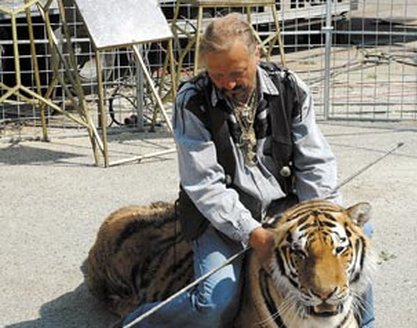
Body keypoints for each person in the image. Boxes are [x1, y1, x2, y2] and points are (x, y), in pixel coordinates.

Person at [121, 13, 374, 327]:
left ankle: (366, 322)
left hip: (285, 209)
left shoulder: (290, 88)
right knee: (215, 302)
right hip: (220, 218)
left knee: (356, 238)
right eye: (216, 75)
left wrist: (326, 220)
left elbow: (315, 162)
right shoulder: (192, 102)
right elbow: (205, 186)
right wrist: (253, 234)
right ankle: (140, 321)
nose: (227, 83)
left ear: (258, 54)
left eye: (237, 72)